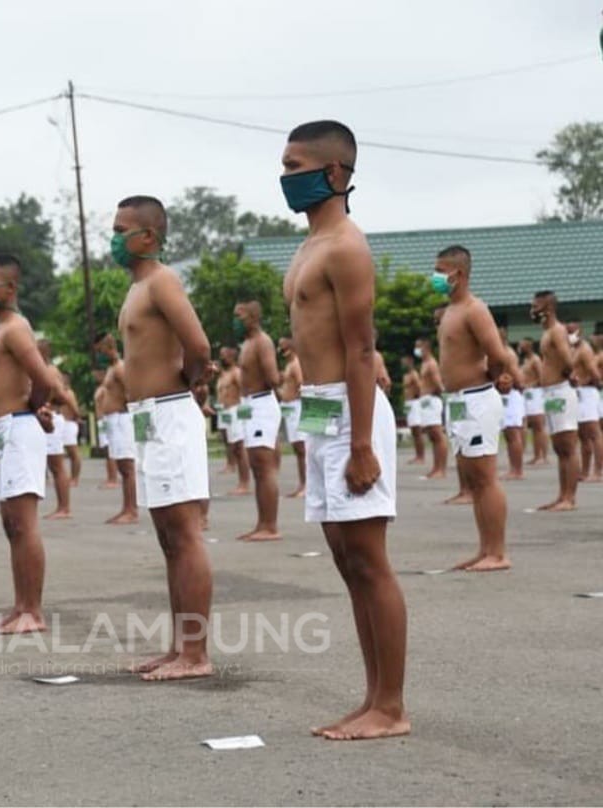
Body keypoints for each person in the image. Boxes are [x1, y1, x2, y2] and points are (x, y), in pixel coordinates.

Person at [281, 120, 407, 739]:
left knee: (369, 559)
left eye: (297, 166)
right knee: (344, 558)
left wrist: (361, 445)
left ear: (335, 173)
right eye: (283, 166)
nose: (286, 178)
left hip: (352, 412)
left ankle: (392, 707)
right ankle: (371, 697)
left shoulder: (346, 247)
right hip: (319, 408)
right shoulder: (306, 248)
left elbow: (362, 351)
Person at [113, 195, 213, 681]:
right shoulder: (137, 288)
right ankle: (179, 648)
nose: (114, 239)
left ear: (148, 237)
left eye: (121, 229)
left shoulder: (162, 281)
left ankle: (195, 653)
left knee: (185, 534)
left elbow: (198, 345)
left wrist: (193, 382)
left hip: (170, 414)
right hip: (148, 417)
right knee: (169, 538)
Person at [0, 254, 61, 634]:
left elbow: (43, 378)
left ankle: (33, 610)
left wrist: (33, 406)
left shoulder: (15, 328)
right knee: (11, 523)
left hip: (18, 427)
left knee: (24, 524)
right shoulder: (1, 329)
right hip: (2, 430)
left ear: (9, 288)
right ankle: (20, 605)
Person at [432, 246, 511, 571]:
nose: (435, 277)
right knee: (472, 478)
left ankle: (498, 553)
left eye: (440, 271)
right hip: (459, 401)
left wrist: (496, 377)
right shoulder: (450, 310)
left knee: (485, 477)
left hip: (477, 397)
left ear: (458, 274)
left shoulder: (474, 309)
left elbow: (498, 353)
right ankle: (485, 549)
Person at [234, 300, 282, 541]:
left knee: (264, 466)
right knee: (256, 466)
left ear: (253, 316)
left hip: (262, 403)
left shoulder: (262, 342)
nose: (235, 320)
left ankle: (270, 526)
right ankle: (262, 522)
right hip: (251, 405)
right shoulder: (248, 343)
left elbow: (273, 377)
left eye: (239, 316)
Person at [531, 291, 579, 511]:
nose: (533, 310)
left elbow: (567, 359)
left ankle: (570, 498)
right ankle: (561, 495)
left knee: (568, 446)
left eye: (536, 306)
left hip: (560, 391)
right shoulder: (547, 332)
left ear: (548, 308)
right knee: (559, 447)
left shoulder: (557, 331)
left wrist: (568, 375)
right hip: (550, 394)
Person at [95, 332, 139, 524]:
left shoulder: (120, 368)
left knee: (127, 467)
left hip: (122, 419)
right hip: (114, 420)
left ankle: (132, 510)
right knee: (122, 467)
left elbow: (132, 392)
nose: (100, 354)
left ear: (109, 347)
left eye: (101, 350)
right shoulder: (112, 369)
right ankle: (126, 507)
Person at [37, 339, 74, 519]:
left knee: (57, 466)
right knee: (53, 466)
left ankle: (64, 508)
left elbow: (62, 394)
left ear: (43, 352)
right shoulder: (46, 370)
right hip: (49, 416)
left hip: (52, 417)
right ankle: (62, 506)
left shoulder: (50, 371)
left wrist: (49, 401)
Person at [568, 323, 603, 482]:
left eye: (572, 331)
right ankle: (585, 470)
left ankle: (598, 472)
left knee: (594, 433)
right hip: (578, 394)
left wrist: (583, 382)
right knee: (583, 436)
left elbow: (595, 374)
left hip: (587, 394)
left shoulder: (585, 350)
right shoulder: (574, 349)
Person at [215, 344, 250, 495]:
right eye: (221, 354)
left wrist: (245, 414)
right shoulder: (224, 375)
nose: (222, 357)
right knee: (232, 445)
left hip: (236, 410)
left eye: (225, 354)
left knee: (240, 447)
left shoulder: (236, 373)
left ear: (232, 356)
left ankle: (244, 483)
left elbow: (244, 392)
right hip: (225, 410)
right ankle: (239, 478)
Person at [415, 337, 447, 480]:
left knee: (437, 434)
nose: (416, 350)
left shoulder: (432, 364)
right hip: (425, 401)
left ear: (426, 347)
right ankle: (435, 468)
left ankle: (441, 469)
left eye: (419, 347)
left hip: (432, 400)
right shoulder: (424, 363)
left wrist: (441, 396)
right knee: (432, 437)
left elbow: (438, 384)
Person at [496, 328, 526, 481]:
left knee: (513, 433)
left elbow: (518, 376)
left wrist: (511, 384)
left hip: (511, 395)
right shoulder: (500, 351)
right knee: (509, 434)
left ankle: (517, 470)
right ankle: (513, 468)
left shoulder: (507, 353)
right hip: (505, 395)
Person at [278, 337, 306, 498]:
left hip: (297, 407)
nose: (281, 349)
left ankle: (306, 484)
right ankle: (302, 484)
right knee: (297, 448)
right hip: (289, 408)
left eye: (284, 346)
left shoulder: (296, 364)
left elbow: (302, 385)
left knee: (302, 448)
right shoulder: (289, 365)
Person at [519, 338, 549, 466]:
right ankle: (536, 455)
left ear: (529, 346)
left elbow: (542, 379)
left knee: (538, 426)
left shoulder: (536, 360)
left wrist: (530, 385)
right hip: (527, 395)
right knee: (532, 427)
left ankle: (543, 456)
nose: (520, 347)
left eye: (522, 345)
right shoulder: (525, 360)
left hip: (535, 394)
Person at [92, 367, 120, 489]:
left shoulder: (106, 389)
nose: (95, 375)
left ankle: (113, 478)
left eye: (97, 373)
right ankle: (110, 476)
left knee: (110, 450)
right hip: (102, 421)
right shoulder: (100, 388)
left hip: (107, 420)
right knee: (106, 450)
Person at [400, 354, 427, 465]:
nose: (403, 364)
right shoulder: (405, 376)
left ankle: (421, 456)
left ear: (410, 361)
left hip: (414, 402)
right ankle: (417, 455)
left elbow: (419, 387)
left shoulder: (414, 374)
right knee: (413, 431)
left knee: (417, 431)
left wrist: (418, 399)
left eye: (404, 361)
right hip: (408, 404)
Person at [60, 372, 83, 487]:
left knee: (73, 453)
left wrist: (77, 417)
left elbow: (75, 409)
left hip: (69, 424)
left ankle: (75, 478)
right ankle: (66, 477)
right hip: (62, 423)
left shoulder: (68, 393)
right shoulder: (60, 392)